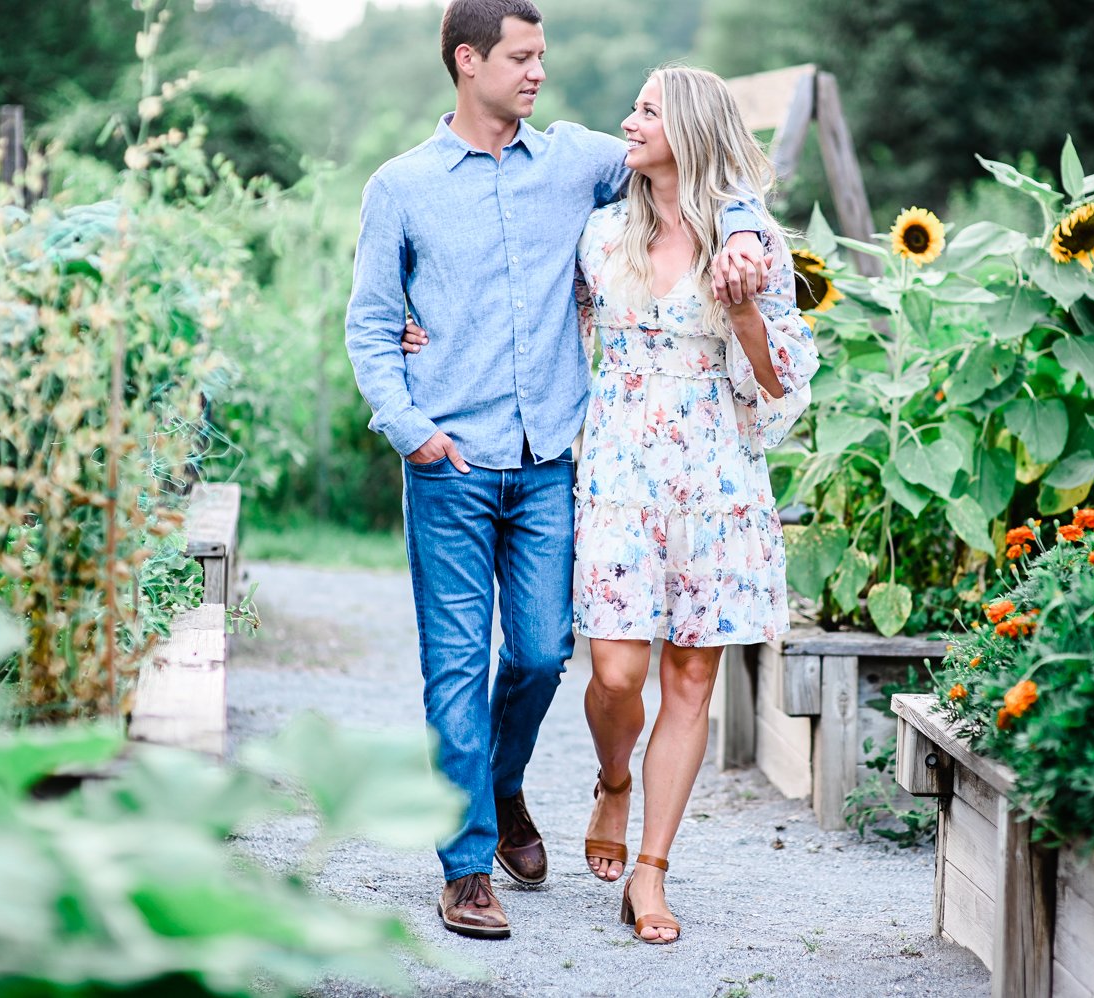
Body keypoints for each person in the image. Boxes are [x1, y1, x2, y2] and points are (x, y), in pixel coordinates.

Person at [344, 0, 771, 941]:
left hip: (550, 465)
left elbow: (701, 158)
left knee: (541, 654)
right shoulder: (403, 186)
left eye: (543, 56)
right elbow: (372, 325)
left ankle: (500, 783)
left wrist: (741, 226)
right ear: (468, 60)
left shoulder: (577, 159)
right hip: (448, 461)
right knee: (454, 666)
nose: (539, 72)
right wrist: (410, 427)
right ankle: (465, 867)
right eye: (522, 57)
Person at [571, 66, 818, 944]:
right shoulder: (601, 236)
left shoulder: (751, 248)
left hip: (714, 478)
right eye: (632, 104)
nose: (629, 120)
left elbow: (782, 385)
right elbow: (546, 334)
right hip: (618, 477)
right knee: (615, 672)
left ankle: (651, 873)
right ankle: (613, 780)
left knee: (689, 676)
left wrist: (745, 310)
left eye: (646, 110)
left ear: (691, 130)